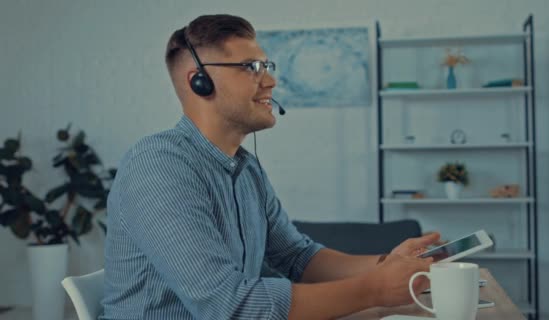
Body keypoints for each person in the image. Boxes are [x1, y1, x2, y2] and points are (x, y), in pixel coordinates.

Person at [101, 14, 440, 320]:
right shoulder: (159, 166)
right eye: (251, 67)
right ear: (199, 81)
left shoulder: (246, 170)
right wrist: (374, 290)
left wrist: (387, 264)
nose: (271, 82)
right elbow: (230, 306)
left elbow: (299, 257)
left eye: (267, 66)